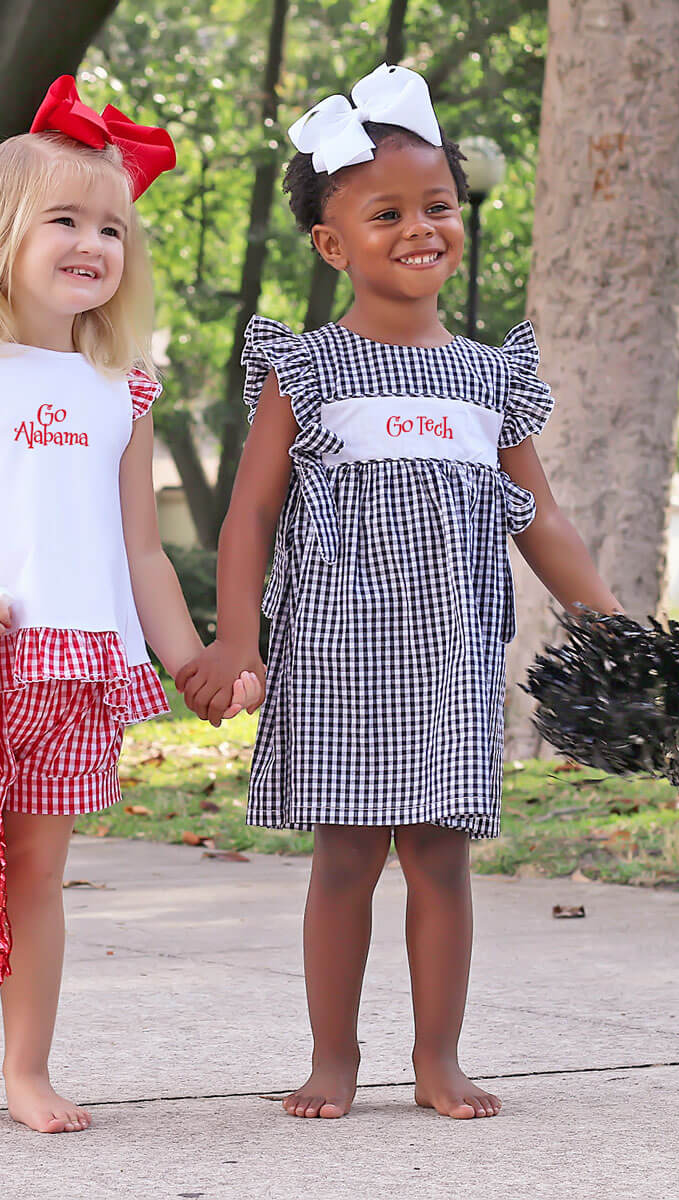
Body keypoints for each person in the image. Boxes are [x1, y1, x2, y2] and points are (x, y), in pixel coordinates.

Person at [177, 65, 621, 1121]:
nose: (421, 228)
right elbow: (250, 515)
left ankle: (437, 1060)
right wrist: (237, 640)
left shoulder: (488, 376)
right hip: (336, 650)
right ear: (333, 245)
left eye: (439, 207)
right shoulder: (309, 369)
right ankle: (333, 1058)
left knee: (439, 858)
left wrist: (610, 626)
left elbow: (540, 517)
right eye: (388, 214)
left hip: (451, 655)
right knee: (343, 857)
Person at [0, 76, 258, 1136]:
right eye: (67, 221)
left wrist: (190, 660)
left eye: (113, 228)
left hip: (75, 673)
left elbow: (141, 550)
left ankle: (27, 1071)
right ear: (1, 234)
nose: (94, 243)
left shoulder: (120, 387)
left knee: (37, 872)